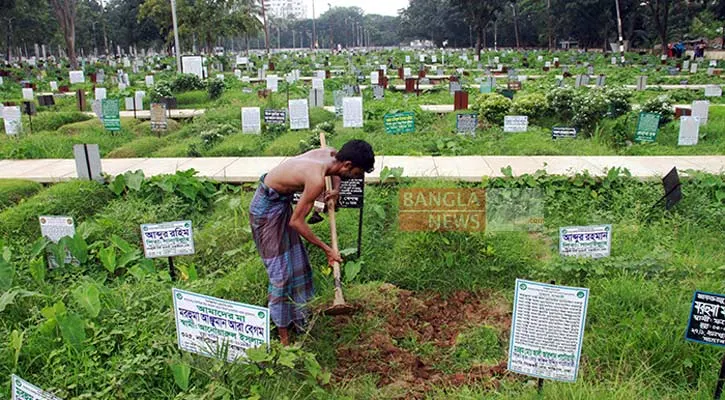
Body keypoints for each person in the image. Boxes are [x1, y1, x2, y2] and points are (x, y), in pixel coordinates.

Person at [249, 140, 375, 345]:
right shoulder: (315, 179)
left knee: (299, 265)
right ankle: (284, 338)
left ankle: (300, 320)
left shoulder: (331, 154)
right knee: (281, 274)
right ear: (348, 164)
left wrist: (336, 189)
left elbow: (336, 172)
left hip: (281, 205)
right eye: (355, 173)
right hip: (266, 213)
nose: (355, 177)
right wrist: (327, 249)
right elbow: (297, 222)